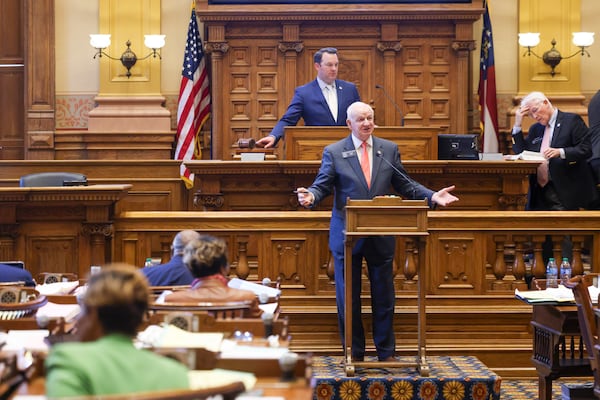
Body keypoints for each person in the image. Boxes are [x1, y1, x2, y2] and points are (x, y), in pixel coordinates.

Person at [296, 101, 458, 361]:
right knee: (348, 298)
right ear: (349, 124)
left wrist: (432, 197)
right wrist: (311, 197)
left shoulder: (388, 149)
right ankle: (353, 352)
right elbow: (322, 185)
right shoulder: (335, 151)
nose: (367, 123)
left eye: (370, 118)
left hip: (382, 230)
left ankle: (386, 353)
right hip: (347, 234)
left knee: (384, 296)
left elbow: (404, 183)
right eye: (361, 119)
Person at [45, 264, 190, 397]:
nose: (78, 321)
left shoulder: (69, 360)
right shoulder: (175, 374)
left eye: (81, 310)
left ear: (93, 313)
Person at [255, 47, 361, 149]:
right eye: (329, 65)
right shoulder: (304, 93)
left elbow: (360, 116)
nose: (334, 69)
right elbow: (288, 119)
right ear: (317, 66)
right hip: (317, 148)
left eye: (336, 65)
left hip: (347, 149)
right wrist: (273, 136)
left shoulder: (349, 89)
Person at [512, 91, 597, 211]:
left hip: (565, 190)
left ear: (546, 103)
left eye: (535, 110)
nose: (535, 117)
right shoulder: (535, 129)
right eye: (530, 115)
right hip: (539, 192)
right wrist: (517, 124)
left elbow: (586, 149)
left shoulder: (571, 121)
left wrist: (561, 152)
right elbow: (520, 152)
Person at [164, 235, 262, 317]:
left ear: (189, 268)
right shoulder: (246, 298)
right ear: (225, 268)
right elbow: (264, 328)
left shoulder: (172, 300)